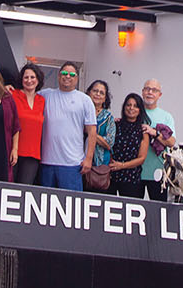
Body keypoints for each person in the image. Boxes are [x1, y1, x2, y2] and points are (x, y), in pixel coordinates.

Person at [38, 62, 96, 190]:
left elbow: (92, 132)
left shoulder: (85, 100)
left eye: (71, 74)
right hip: (47, 162)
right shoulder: (45, 95)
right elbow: (27, 95)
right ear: (59, 76)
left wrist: (88, 159)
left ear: (77, 78)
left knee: (70, 205)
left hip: (72, 164)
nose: (67, 76)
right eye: (64, 73)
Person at [139, 78, 177, 200]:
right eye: (147, 89)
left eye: (154, 90)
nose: (150, 92)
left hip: (158, 172)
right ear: (142, 91)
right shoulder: (134, 111)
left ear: (159, 95)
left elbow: (171, 142)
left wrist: (155, 133)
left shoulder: (166, 117)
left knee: (159, 211)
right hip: (134, 171)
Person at [9, 63, 46, 185]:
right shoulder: (13, 95)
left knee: (25, 189)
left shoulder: (42, 100)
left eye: (32, 77)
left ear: (38, 79)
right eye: (26, 77)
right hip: (13, 151)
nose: (29, 80)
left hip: (32, 154)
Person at [109, 93, 150, 199]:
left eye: (135, 106)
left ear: (140, 109)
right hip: (111, 175)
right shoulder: (115, 125)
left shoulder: (143, 131)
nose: (131, 108)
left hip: (131, 178)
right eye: (128, 105)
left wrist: (121, 165)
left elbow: (142, 158)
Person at [86, 79, 115, 192]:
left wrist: (90, 132)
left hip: (100, 167)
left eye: (101, 93)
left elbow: (109, 143)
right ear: (89, 93)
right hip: (77, 162)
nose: (98, 94)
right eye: (95, 91)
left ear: (105, 98)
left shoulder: (108, 117)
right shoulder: (81, 111)